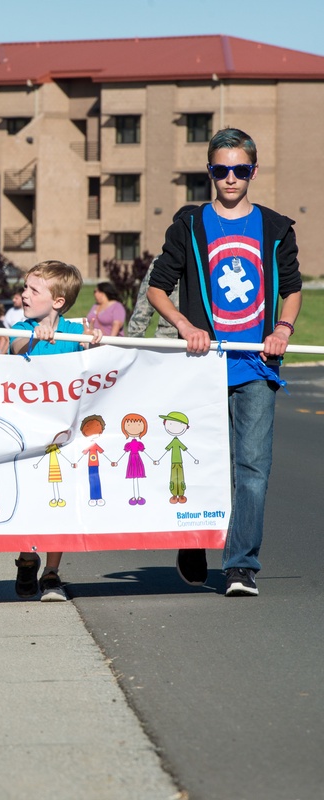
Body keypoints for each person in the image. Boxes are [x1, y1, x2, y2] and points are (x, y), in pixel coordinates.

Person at [147, 127, 302, 598]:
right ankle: (193, 539)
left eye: (239, 170)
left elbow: (291, 289)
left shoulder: (275, 229)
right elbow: (158, 286)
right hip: (202, 365)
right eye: (221, 170)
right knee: (194, 462)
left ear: (253, 171)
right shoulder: (189, 226)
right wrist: (184, 325)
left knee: (252, 467)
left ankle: (240, 566)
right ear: (210, 172)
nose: (230, 178)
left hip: (255, 365)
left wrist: (281, 330)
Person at [10, 261, 102, 601]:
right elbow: (17, 347)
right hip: (29, 433)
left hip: (64, 436)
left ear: (58, 302)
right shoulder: (20, 328)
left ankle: (51, 572)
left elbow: (95, 369)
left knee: (59, 501)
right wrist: (34, 338)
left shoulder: (72, 333)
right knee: (31, 497)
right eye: (25, 288)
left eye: (34, 290)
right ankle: (26, 556)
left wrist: (91, 343)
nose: (24, 294)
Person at [125, 206, 196, 338]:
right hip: (169, 340)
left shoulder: (212, 260)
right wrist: (134, 342)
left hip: (203, 341)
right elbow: (144, 305)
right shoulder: (162, 262)